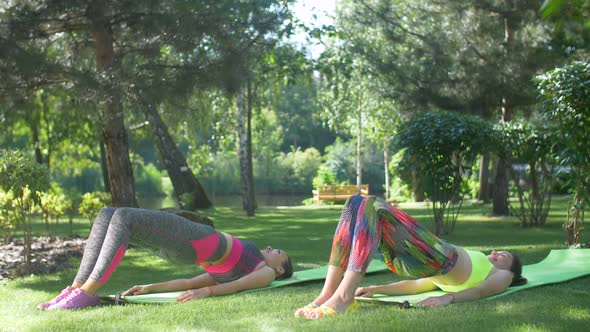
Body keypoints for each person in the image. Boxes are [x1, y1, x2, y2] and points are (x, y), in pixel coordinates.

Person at [295, 195, 526, 319]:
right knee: (354, 204)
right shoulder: (481, 266)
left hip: (440, 257)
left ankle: (343, 297)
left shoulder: (503, 275)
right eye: (496, 252)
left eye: (503, 256)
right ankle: (328, 293)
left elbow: (481, 292)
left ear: (512, 272)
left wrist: (450, 299)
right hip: (419, 260)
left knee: (373, 205)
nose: (495, 254)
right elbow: (418, 285)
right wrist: (378, 289)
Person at [38, 207, 292, 310]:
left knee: (123, 217)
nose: (271, 248)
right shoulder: (231, 269)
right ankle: (75, 289)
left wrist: (208, 293)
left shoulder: (265, 272)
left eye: (278, 253)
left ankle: (88, 292)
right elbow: (189, 281)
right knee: (108, 213)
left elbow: (235, 287)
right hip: (188, 246)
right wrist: (151, 287)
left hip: (193, 239)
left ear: (279, 271)